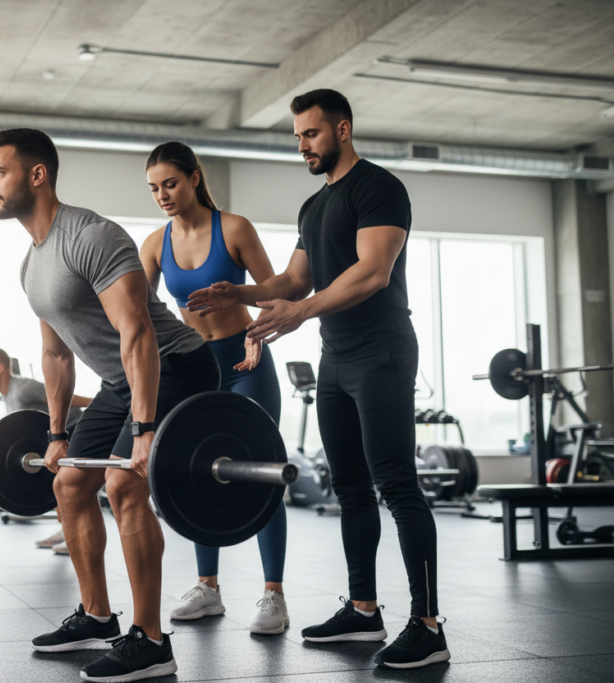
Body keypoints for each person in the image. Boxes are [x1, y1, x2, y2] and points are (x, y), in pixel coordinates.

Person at [187, 89, 449, 670]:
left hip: (380, 352)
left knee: (398, 486)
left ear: (343, 130)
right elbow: (295, 281)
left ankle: (428, 625)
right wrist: (244, 293)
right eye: (298, 135)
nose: (302, 144)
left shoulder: (379, 188)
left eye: (311, 133)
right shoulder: (313, 207)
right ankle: (362, 610)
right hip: (336, 358)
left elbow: (373, 272)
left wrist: (299, 313)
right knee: (350, 488)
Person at [0, 127, 218, 683]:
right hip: (122, 379)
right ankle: (96, 616)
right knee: (67, 481)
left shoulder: (92, 236)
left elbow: (137, 332)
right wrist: (57, 434)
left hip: (176, 363)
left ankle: (152, 640)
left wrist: (144, 428)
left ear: (36, 174)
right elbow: (55, 354)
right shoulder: (31, 264)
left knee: (123, 483)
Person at [138, 141, 290, 635]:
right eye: (154, 187)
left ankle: (273, 596)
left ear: (195, 178)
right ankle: (208, 587)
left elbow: (278, 293)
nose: (162, 194)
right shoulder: (155, 245)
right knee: (199, 473)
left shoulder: (235, 228)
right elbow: (136, 314)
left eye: (171, 183)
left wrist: (258, 337)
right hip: (197, 369)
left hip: (246, 363)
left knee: (262, 474)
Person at [0, 347, 92, 553]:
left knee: (65, 486)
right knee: (53, 488)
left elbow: (61, 397)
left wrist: (98, 405)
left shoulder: (23, 388)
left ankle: (75, 537)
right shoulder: (7, 395)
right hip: (51, 441)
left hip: (73, 430)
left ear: (0, 367)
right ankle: (66, 532)